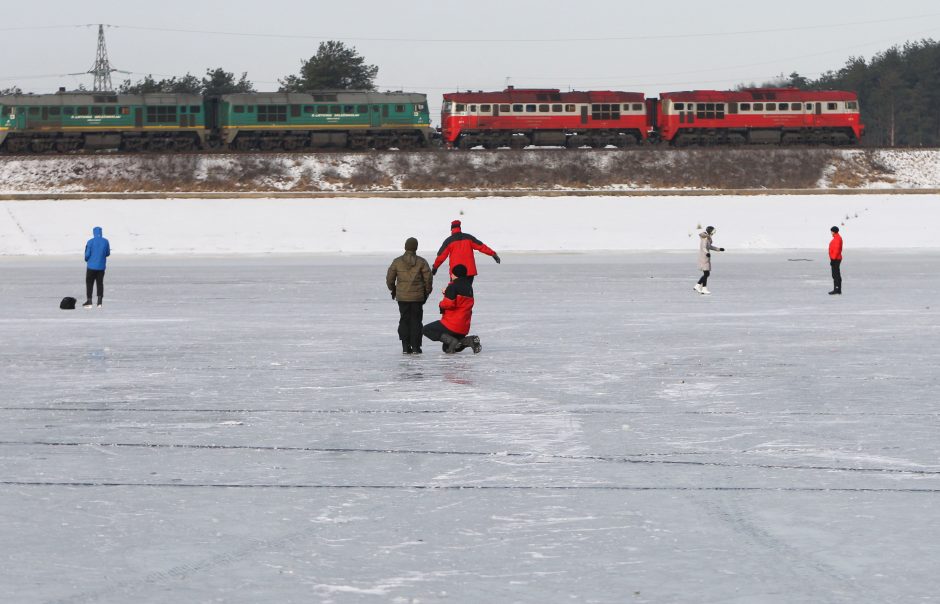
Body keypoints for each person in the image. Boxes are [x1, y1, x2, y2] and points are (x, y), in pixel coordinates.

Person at [386, 237, 433, 354]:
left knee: (404, 320)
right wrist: (426, 292)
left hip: (402, 297)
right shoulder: (422, 262)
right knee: (416, 321)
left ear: (405, 247)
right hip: (417, 298)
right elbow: (428, 279)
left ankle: (405, 346)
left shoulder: (397, 261)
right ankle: (416, 347)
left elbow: (389, 279)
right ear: (416, 247)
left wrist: (394, 290)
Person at [422, 264, 482, 354]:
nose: (451, 275)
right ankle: (468, 340)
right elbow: (460, 301)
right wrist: (447, 293)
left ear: (455, 274)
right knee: (447, 348)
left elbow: (448, 304)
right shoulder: (469, 287)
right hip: (464, 325)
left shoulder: (453, 286)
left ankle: (452, 340)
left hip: (451, 323)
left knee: (426, 329)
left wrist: (441, 304)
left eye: (452, 273)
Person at [431, 219, 500, 283]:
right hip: (469, 272)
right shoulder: (469, 237)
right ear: (460, 228)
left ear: (451, 229)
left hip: (456, 272)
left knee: (455, 293)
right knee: (467, 292)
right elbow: (481, 246)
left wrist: (435, 267)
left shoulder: (449, 241)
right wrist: (493, 254)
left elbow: (441, 256)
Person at [83, 226, 110, 308]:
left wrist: (87, 259)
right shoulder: (106, 241)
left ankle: (89, 301)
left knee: (89, 283)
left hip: (91, 267)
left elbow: (87, 254)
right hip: (101, 267)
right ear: (101, 232)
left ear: (94, 233)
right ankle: (99, 302)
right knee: (100, 283)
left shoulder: (90, 242)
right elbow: (107, 253)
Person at [694, 226, 724, 295]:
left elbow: (709, 247)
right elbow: (704, 247)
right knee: (707, 273)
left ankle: (703, 288)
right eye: (713, 232)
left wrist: (718, 249)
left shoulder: (707, 238)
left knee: (706, 274)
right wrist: (707, 253)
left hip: (705, 257)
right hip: (704, 257)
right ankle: (698, 285)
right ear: (710, 231)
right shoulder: (705, 238)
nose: (713, 233)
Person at [829, 226, 843, 295]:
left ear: (834, 231)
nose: (831, 232)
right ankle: (837, 289)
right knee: (835, 274)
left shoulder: (837, 239)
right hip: (835, 258)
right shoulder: (836, 238)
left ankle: (837, 289)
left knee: (835, 275)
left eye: (831, 231)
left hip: (836, 259)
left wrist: (833, 259)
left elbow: (837, 250)